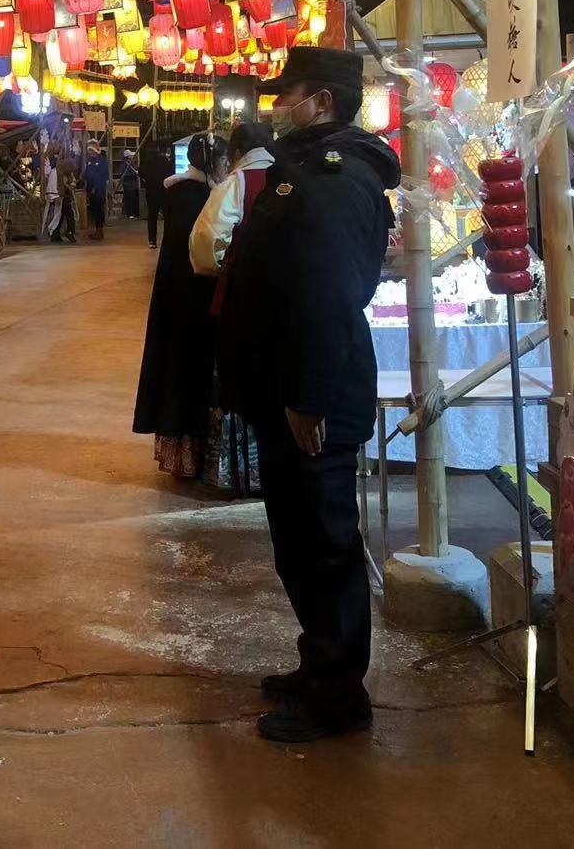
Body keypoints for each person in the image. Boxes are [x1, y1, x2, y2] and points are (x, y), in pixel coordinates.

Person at [218, 47, 400, 745]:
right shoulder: (306, 169)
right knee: (297, 540)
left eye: (287, 92)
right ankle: (319, 662)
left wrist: (309, 398)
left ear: (321, 100)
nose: (277, 104)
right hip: (288, 385)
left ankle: (338, 696)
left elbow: (329, 297)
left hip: (312, 393)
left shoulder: (336, 177)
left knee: (324, 544)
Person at [131, 132, 230, 477]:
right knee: (194, 372)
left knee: (177, 367)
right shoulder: (204, 198)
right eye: (223, 160)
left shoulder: (178, 193)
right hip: (197, 297)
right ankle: (196, 455)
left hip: (176, 297)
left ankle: (183, 457)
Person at [190, 121, 276, 279]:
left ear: (236, 153)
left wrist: (216, 267)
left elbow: (208, 235)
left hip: (243, 275)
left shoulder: (235, 183)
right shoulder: (285, 176)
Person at [142, 141, 173, 248]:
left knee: (152, 217)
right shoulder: (165, 161)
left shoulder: (146, 161)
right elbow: (171, 174)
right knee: (167, 217)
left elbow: (141, 173)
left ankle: (152, 241)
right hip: (164, 192)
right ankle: (167, 240)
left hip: (151, 192)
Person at [83, 141, 110, 240]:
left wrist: (96, 187)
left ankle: (99, 231)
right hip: (91, 189)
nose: (89, 152)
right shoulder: (89, 161)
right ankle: (97, 230)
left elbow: (103, 176)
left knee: (99, 210)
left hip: (99, 190)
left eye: (91, 150)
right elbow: (87, 174)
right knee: (94, 210)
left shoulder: (101, 161)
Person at [118, 150, 142, 219]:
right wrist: (134, 175)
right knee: (129, 200)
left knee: (134, 199)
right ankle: (130, 213)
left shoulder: (131, 164)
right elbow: (124, 176)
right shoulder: (124, 165)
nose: (132, 157)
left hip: (134, 185)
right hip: (128, 185)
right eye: (131, 156)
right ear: (127, 157)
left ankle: (135, 213)